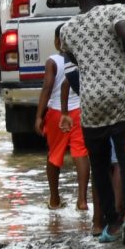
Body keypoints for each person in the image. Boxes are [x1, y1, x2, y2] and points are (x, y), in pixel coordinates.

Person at [57, 0, 125, 239]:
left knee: (99, 167)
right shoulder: (113, 11)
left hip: (90, 104)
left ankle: (112, 223)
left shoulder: (67, 29)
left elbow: (73, 63)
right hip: (120, 97)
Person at [38, 32, 92, 212]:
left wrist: (38, 116)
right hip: (80, 111)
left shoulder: (52, 61)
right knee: (81, 153)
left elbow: (47, 88)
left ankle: (54, 199)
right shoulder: (83, 60)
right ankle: (82, 201)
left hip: (57, 113)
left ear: (57, 42)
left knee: (54, 154)